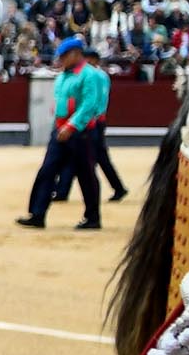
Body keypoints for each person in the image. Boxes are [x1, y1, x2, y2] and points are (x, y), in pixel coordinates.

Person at [17, 35, 105, 230]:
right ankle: (37, 214)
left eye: (64, 56)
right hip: (60, 129)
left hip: (81, 132)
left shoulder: (89, 75)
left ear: (76, 54)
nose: (61, 59)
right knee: (47, 170)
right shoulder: (64, 75)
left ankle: (93, 218)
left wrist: (71, 126)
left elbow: (89, 105)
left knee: (86, 175)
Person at [52, 47, 128, 205]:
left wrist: (93, 117)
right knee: (83, 157)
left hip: (92, 122)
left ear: (93, 60)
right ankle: (63, 190)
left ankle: (118, 188)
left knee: (92, 158)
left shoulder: (96, 75)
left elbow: (95, 100)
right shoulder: (94, 75)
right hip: (88, 120)